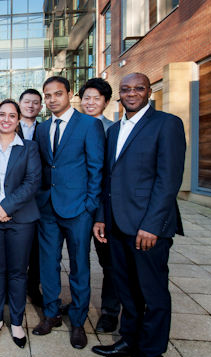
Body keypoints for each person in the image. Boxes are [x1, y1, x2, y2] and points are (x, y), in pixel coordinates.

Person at [92, 73, 186, 357]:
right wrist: (102, 217)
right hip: (117, 225)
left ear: (149, 91)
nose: (132, 93)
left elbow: (168, 180)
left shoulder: (166, 124)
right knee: (127, 289)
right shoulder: (115, 129)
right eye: (127, 89)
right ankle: (129, 341)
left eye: (139, 88)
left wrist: (152, 225)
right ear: (120, 94)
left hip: (148, 228)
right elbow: (108, 178)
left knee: (153, 294)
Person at [31, 76, 104, 351]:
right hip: (47, 208)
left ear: (70, 94)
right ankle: (51, 314)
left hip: (78, 210)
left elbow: (97, 168)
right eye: (47, 95)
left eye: (57, 94)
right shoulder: (42, 129)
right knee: (47, 265)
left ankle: (78, 322)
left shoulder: (89, 124)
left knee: (79, 267)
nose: (52, 100)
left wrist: (89, 206)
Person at [0, 99, 41, 348]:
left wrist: (7, 207)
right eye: (1, 114)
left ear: (18, 119)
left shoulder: (30, 148)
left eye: (11, 116)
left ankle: (15, 322)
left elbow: (32, 182)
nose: (6, 119)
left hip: (21, 218)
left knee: (17, 271)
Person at [78, 77, 119, 333]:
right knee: (77, 258)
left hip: (104, 206)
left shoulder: (113, 130)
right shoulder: (75, 125)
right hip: (76, 205)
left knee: (109, 262)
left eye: (96, 98)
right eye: (86, 98)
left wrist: (101, 210)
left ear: (105, 101)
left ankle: (109, 311)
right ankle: (76, 304)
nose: (91, 102)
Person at [17, 88, 45, 307]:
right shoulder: (8, 126)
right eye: (27, 102)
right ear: (20, 103)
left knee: (36, 248)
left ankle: (33, 287)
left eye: (36, 103)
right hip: (11, 198)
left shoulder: (45, 130)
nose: (31, 106)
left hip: (38, 198)